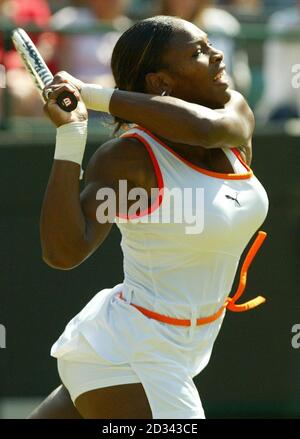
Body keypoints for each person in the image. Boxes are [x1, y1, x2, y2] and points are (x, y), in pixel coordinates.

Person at [29, 16, 269, 419]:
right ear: (161, 83)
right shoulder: (130, 159)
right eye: (197, 52)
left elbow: (205, 130)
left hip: (180, 349)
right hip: (126, 352)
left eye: (209, 45)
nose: (216, 56)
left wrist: (88, 92)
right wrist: (71, 137)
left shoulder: (232, 118)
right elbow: (64, 251)